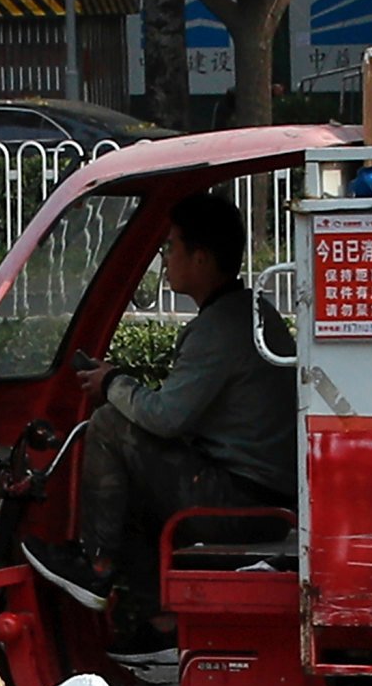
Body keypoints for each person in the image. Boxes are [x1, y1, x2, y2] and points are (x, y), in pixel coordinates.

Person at [46, 187, 296, 639]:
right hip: (260, 495)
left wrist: (113, 384)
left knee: (107, 426)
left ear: (200, 258)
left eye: (171, 247)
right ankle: (161, 622)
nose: (165, 259)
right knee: (135, 483)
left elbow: (165, 417)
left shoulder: (219, 329)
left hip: (242, 502)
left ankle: (96, 566)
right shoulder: (250, 313)